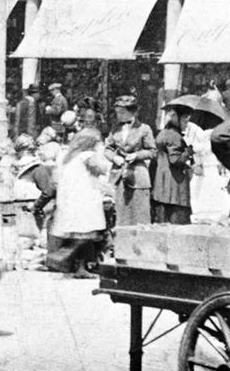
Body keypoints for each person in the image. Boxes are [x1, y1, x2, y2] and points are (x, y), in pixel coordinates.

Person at [46, 128, 110, 278]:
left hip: (70, 200)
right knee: (83, 236)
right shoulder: (87, 155)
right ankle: (77, 266)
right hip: (84, 200)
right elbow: (102, 169)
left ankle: (71, 264)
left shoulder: (67, 156)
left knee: (77, 236)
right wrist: (102, 153)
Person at [105, 95, 155, 227]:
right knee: (120, 212)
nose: (118, 115)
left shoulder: (144, 129)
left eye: (122, 112)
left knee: (139, 212)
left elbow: (152, 151)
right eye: (117, 112)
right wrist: (114, 157)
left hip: (138, 175)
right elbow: (108, 149)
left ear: (133, 112)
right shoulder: (115, 128)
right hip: (119, 174)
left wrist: (136, 155)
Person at [152, 104, 194, 225]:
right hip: (175, 188)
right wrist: (188, 152)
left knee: (163, 224)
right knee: (179, 225)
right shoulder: (174, 136)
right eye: (185, 121)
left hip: (163, 186)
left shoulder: (164, 133)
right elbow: (175, 161)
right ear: (178, 119)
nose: (186, 124)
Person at [13, 134, 57, 231]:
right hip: (25, 213)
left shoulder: (37, 169)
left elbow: (48, 191)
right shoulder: (27, 167)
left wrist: (36, 206)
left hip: (37, 215)